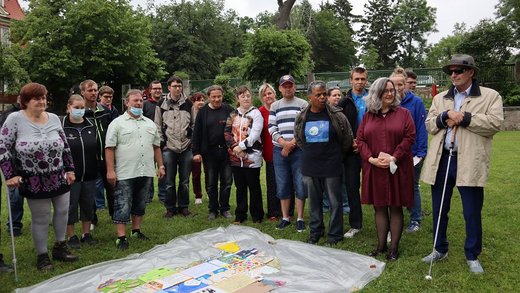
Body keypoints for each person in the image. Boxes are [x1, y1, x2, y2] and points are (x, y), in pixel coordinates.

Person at [421, 54, 504, 273]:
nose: (454, 75)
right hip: (442, 159)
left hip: (469, 161)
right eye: (451, 71)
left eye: (458, 71)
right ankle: (439, 248)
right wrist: (444, 116)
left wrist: (464, 118)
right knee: (440, 208)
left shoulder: (490, 96)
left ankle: (472, 254)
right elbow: (430, 125)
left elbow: (495, 123)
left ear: (471, 73)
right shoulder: (441, 99)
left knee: (471, 210)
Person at [0, 82, 78, 270]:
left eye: (43, 97)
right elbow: (3, 148)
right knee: (41, 217)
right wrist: (10, 175)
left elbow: (65, 146)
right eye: (37, 98)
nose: (42, 101)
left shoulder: (53, 118)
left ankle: (60, 247)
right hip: (33, 179)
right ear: (25, 101)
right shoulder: (14, 119)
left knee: (62, 212)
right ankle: (42, 256)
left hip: (58, 175)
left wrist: (70, 169)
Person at [357, 77, 415, 261]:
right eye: (385, 90)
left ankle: (394, 249)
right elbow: (361, 140)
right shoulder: (368, 115)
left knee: (396, 207)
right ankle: (381, 245)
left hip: (396, 168)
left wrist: (394, 156)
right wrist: (371, 159)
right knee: (379, 207)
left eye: (392, 90)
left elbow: (409, 136)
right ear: (376, 93)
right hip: (375, 168)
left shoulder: (404, 113)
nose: (390, 93)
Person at [105, 89, 165, 251]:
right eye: (135, 101)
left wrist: (160, 165)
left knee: (140, 202)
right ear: (127, 103)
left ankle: (136, 230)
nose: (138, 103)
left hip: (145, 171)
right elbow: (109, 148)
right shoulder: (117, 123)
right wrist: (110, 170)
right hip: (125, 172)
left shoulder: (149, 123)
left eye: (140, 101)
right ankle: (121, 237)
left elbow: (156, 147)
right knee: (122, 204)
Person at [295, 81, 353, 245]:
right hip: (310, 165)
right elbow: (299, 138)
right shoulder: (302, 116)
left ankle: (334, 235)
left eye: (324, 94)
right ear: (309, 97)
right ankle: (316, 231)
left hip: (332, 164)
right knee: (314, 202)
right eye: (318, 95)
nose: (322, 97)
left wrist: (337, 154)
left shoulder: (337, 115)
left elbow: (347, 137)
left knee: (335, 202)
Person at [269, 74, 309, 232]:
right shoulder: (275, 106)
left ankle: (300, 218)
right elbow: (272, 127)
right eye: (284, 85)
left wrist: (291, 143)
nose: (287, 88)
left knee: (300, 184)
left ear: (295, 86)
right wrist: (283, 144)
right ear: (280, 88)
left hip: (298, 149)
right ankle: (285, 217)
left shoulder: (303, 104)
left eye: (290, 85)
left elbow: (305, 126)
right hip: (279, 150)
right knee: (282, 183)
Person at [390, 68, 428, 233]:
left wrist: (420, 153)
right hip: (392, 154)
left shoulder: (416, 102)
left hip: (412, 153)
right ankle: (396, 218)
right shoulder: (388, 102)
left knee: (412, 186)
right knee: (394, 186)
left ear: (406, 84)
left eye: (401, 84)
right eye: (394, 84)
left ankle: (415, 219)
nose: (397, 88)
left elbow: (421, 128)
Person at [61, 95, 99, 249]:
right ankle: (71, 235)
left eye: (82, 108)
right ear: (68, 107)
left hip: (89, 174)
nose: (80, 110)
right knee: (70, 206)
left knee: (88, 205)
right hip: (70, 176)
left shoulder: (91, 126)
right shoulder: (61, 126)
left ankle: (86, 234)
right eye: (76, 107)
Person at [192, 85, 234, 220]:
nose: (217, 99)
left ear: (222, 96)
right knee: (211, 183)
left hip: (227, 152)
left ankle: (225, 208)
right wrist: (196, 152)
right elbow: (196, 133)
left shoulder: (229, 109)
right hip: (209, 152)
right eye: (214, 97)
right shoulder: (203, 112)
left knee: (227, 182)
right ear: (209, 97)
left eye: (219, 96)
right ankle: (213, 209)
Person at [224, 86, 264, 223]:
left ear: (251, 97)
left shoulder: (256, 114)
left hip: (252, 157)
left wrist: (241, 147)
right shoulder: (232, 114)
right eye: (242, 96)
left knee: (254, 186)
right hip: (235, 157)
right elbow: (227, 132)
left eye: (247, 95)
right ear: (238, 98)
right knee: (240, 187)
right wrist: (235, 147)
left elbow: (254, 135)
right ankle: (240, 215)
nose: (245, 98)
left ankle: (257, 215)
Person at [155, 76, 193, 218]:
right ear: (169, 88)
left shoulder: (188, 104)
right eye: (174, 86)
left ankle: (184, 207)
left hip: (185, 148)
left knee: (184, 181)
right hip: (169, 148)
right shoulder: (161, 104)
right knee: (169, 181)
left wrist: (190, 141)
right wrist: (163, 145)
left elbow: (194, 125)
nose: (177, 88)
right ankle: (170, 208)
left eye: (179, 86)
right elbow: (157, 126)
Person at [338, 66, 369, 238]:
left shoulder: (374, 98)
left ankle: (386, 224)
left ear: (366, 79)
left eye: (362, 79)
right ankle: (356, 224)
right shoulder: (344, 101)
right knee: (351, 186)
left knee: (378, 186)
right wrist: (350, 142)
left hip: (371, 149)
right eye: (356, 79)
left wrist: (365, 143)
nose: (359, 82)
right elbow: (339, 127)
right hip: (351, 151)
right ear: (350, 80)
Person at [81, 79, 116, 225]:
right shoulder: (80, 112)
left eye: (95, 90)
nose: (94, 93)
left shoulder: (105, 111)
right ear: (82, 92)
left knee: (112, 187)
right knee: (90, 191)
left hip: (106, 157)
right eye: (90, 90)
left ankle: (116, 215)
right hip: (89, 159)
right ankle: (92, 219)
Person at [324, 86, 350, 215]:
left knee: (342, 181)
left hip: (339, 153)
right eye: (334, 95)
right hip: (325, 154)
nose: (337, 97)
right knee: (324, 181)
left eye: (339, 95)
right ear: (328, 98)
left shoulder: (343, 111)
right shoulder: (323, 112)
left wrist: (343, 150)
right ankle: (326, 205)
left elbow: (347, 133)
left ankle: (344, 205)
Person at [258, 83, 282, 221]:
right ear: (262, 97)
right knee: (272, 183)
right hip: (269, 152)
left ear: (274, 94)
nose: (268, 96)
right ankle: (273, 211)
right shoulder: (259, 112)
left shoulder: (281, 108)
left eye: (270, 93)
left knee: (285, 182)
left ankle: (287, 211)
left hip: (284, 150)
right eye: (265, 94)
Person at [1, 103, 24, 237]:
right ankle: (14, 224)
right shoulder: (9, 116)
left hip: (30, 163)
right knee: (15, 195)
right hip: (13, 161)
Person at [143, 80, 166, 203]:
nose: (158, 90)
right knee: (148, 169)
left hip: (163, 143)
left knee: (163, 168)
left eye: (160, 88)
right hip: (148, 142)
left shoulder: (166, 104)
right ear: (150, 90)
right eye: (155, 88)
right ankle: (148, 196)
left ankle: (163, 195)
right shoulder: (145, 105)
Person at [190, 92, 206, 205]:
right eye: (198, 100)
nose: (200, 102)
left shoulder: (206, 112)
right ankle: (198, 195)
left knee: (209, 171)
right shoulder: (189, 113)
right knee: (196, 172)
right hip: (194, 146)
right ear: (193, 101)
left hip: (207, 146)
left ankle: (211, 193)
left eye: (202, 100)